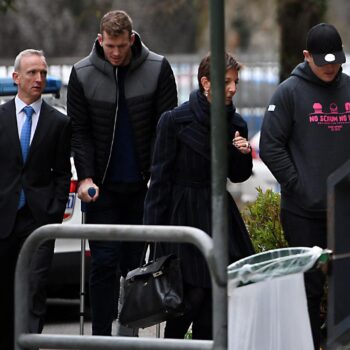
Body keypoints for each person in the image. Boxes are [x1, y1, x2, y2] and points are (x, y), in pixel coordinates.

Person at [67, 10, 177, 337]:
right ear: (100, 41)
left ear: (132, 39)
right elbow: (80, 132)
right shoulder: (83, 73)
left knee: (135, 267)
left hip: (143, 186)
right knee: (103, 263)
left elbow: (165, 127)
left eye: (121, 46)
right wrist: (86, 176)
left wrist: (158, 175)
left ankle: (128, 336)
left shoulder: (157, 68)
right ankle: (101, 337)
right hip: (102, 187)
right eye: (110, 46)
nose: (116, 53)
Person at [143, 52, 255, 339]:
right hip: (184, 216)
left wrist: (241, 153)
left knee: (214, 300)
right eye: (226, 82)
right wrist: (153, 235)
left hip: (218, 214)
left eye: (235, 82)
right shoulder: (174, 121)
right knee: (189, 298)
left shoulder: (236, 123)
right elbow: (160, 181)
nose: (232, 88)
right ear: (206, 82)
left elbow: (238, 175)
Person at [259, 23, 350, 349]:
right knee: (308, 289)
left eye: (335, 61)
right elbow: (270, 145)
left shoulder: (349, 88)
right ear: (306, 56)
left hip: (345, 212)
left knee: (346, 288)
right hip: (303, 213)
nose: (329, 67)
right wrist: (301, 186)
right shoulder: (289, 92)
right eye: (322, 61)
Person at [0, 49, 71, 350]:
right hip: (4, 217)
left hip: (39, 219)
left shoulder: (58, 122)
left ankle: (28, 344)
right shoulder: (1, 117)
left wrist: (53, 212)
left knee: (34, 288)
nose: (39, 78)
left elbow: (62, 174)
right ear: (16, 77)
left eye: (42, 73)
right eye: (32, 73)